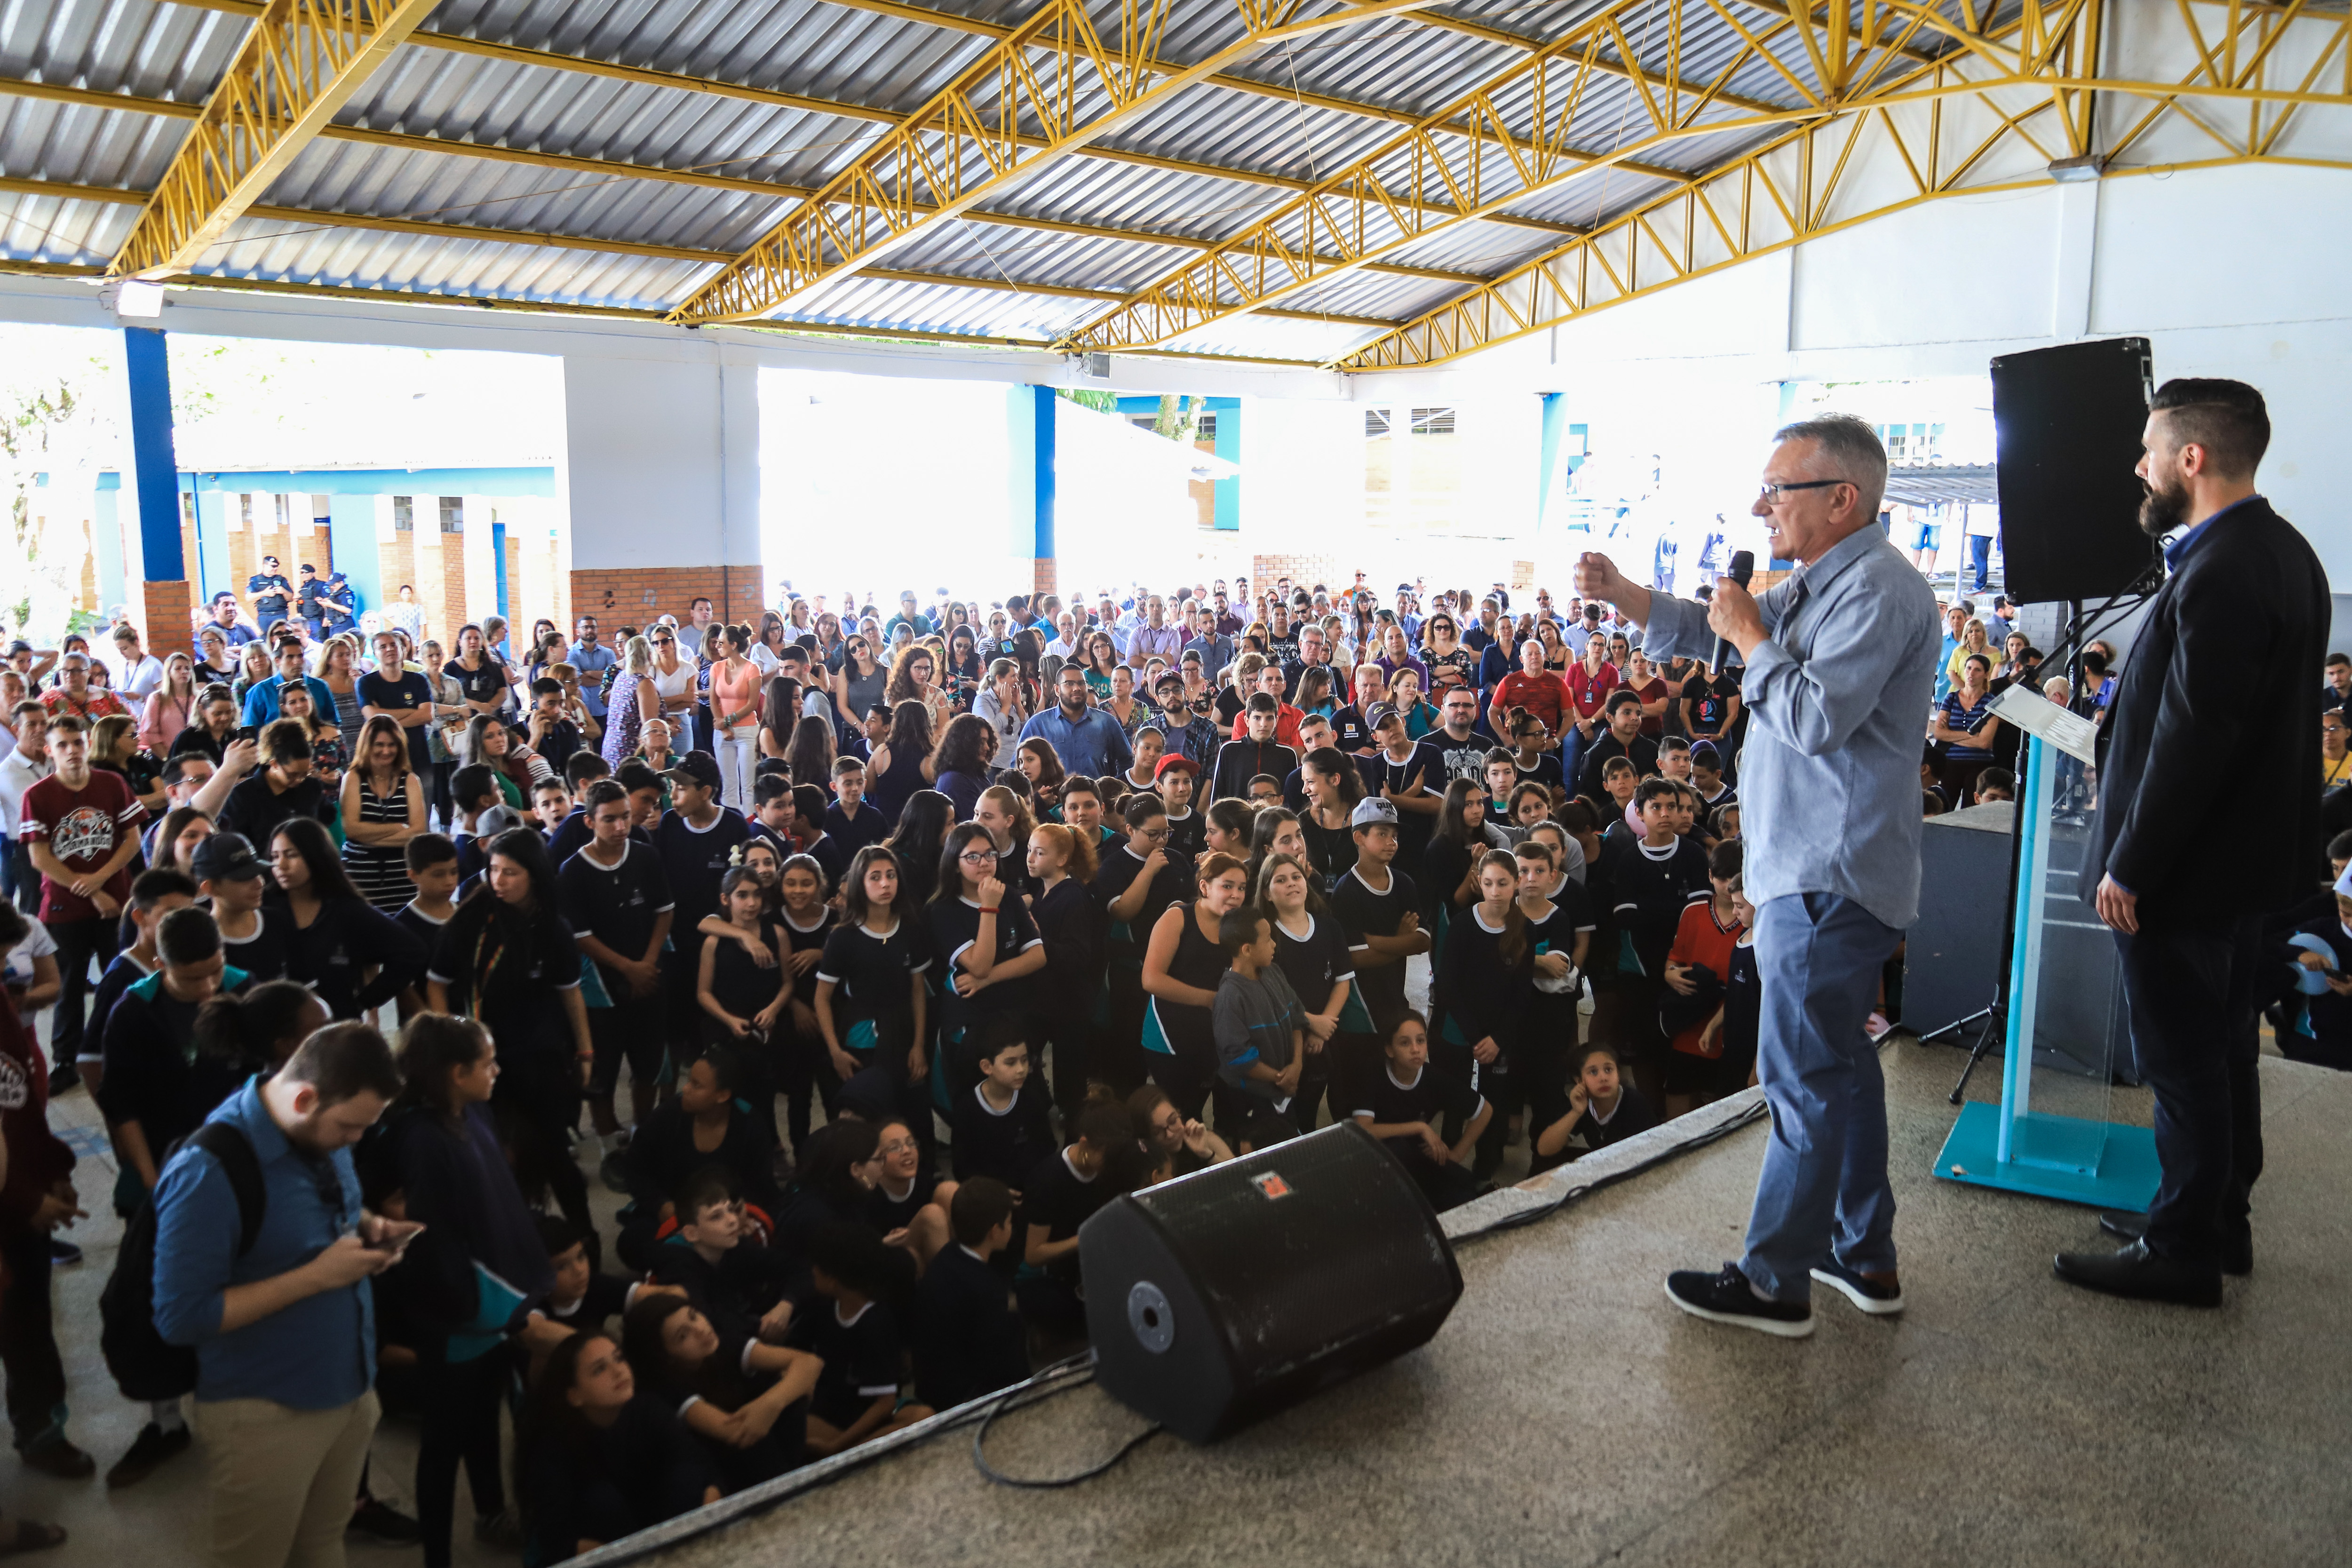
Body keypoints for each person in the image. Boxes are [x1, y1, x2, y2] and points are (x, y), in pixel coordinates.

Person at [1578, 411, 1937, 1337]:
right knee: (1841, 1068)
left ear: (1842, 498)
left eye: (1777, 489)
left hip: (1828, 872)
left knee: (1802, 1077)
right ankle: (1862, 1251)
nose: (1759, 506)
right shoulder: (1826, 581)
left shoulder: (1879, 591)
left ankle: (1775, 1280)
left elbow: (1814, 716)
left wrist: (1748, 635)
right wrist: (1628, 596)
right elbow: (1722, 632)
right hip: (1814, 867)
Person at [2067, 379, 2327, 1305]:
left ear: (2192, 456)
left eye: (2150, 449)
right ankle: (2217, 1220)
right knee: (2222, 1052)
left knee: (2183, 1062)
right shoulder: (2284, 551)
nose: (2139, 467)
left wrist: (2132, 862)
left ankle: (2181, 1248)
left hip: (2185, 869)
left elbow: (2196, 735)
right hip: (2242, 866)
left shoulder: (2222, 566)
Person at [151, 1020, 414, 1568]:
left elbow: (327, 1208)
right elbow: (181, 1316)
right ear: (304, 1098)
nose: (356, 1140)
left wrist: (369, 1226)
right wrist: (317, 1277)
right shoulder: (208, 1172)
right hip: (265, 1413)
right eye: (349, 1126)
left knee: (322, 1542)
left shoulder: (318, 1131)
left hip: (348, 1388)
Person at [382, 1014, 555, 1568]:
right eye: (488, 1063)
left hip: (492, 1306)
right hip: (457, 1316)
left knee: (485, 1418)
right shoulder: (421, 1137)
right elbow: (435, 1240)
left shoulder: (473, 1112)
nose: (497, 1071)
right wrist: (474, 1307)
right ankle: (438, 1558)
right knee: (444, 1441)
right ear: (456, 1073)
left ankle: (491, 1512)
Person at [426, 828, 596, 1232]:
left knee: (556, 1154)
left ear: (535, 874)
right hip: (483, 1059)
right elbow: (437, 983)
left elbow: (570, 994)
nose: (498, 881)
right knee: (499, 1156)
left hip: (540, 1058)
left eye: (510, 872)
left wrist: (586, 1051)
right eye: (493, 870)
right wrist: (451, 1042)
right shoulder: (471, 921)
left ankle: (583, 1238)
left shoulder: (554, 928)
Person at [19, 712, 145, 1089]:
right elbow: (40, 857)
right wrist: (92, 890)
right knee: (68, 988)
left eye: (78, 743)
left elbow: (132, 840)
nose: (72, 751)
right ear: (49, 751)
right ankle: (65, 1060)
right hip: (64, 908)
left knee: (123, 980)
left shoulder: (112, 783)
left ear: (89, 744)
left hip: (117, 902)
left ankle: (127, 1051)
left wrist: (101, 879)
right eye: (62, 745)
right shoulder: (37, 795)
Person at [517, 1330, 718, 1564]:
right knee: (601, 1501)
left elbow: (703, 1470)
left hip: (657, 1535)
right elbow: (557, 1540)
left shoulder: (648, 1410)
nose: (618, 1371)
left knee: (687, 1477)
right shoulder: (553, 1447)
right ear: (574, 1396)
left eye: (619, 1358)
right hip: (602, 1550)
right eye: (599, 1370)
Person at [267, 818, 428, 1021]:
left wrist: (364, 1001)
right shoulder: (264, 909)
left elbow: (412, 952)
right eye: (275, 856)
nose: (281, 865)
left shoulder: (346, 909)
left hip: (336, 1027)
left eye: (292, 855)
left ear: (316, 856)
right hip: (279, 1029)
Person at [912, 1178, 1028, 1413]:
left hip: (931, 1386)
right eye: (1009, 1222)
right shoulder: (987, 1290)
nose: (1012, 1228)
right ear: (995, 1231)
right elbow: (1001, 1364)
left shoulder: (946, 1256)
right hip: (963, 1400)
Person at [1352, 1011, 1488, 1210]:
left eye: (1421, 1041)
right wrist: (1420, 1127)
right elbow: (1363, 1130)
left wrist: (1457, 1154)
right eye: (1405, 1043)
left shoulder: (1433, 1078)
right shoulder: (1374, 1073)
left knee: (1464, 1189)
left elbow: (1485, 1110)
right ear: (1390, 1050)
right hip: (1375, 1156)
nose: (1415, 1049)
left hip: (1416, 1154)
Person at [1529, 1042, 1658, 1173]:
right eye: (1593, 1072)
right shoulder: (1582, 1102)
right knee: (1543, 1162)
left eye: (1608, 1070)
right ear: (1579, 1081)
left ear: (1618, 1074)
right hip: (1602, 1163)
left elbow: (1653, 1151)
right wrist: (1576, 1112)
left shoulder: (1634, 1102)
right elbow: (1544, 1150)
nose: (1603, 1078)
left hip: (1632, 1166)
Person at [1019, 663, 1133, 780]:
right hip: (1054, 792)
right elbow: (1018, 766)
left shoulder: (1106, 722)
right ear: (1057, 690)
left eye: (1081, 683)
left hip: (1096, 791)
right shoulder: (1039, 724)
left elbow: (1127, 761)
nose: (1077, 688)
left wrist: (1115, 787)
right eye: (1069, 684)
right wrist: (1037, 790)